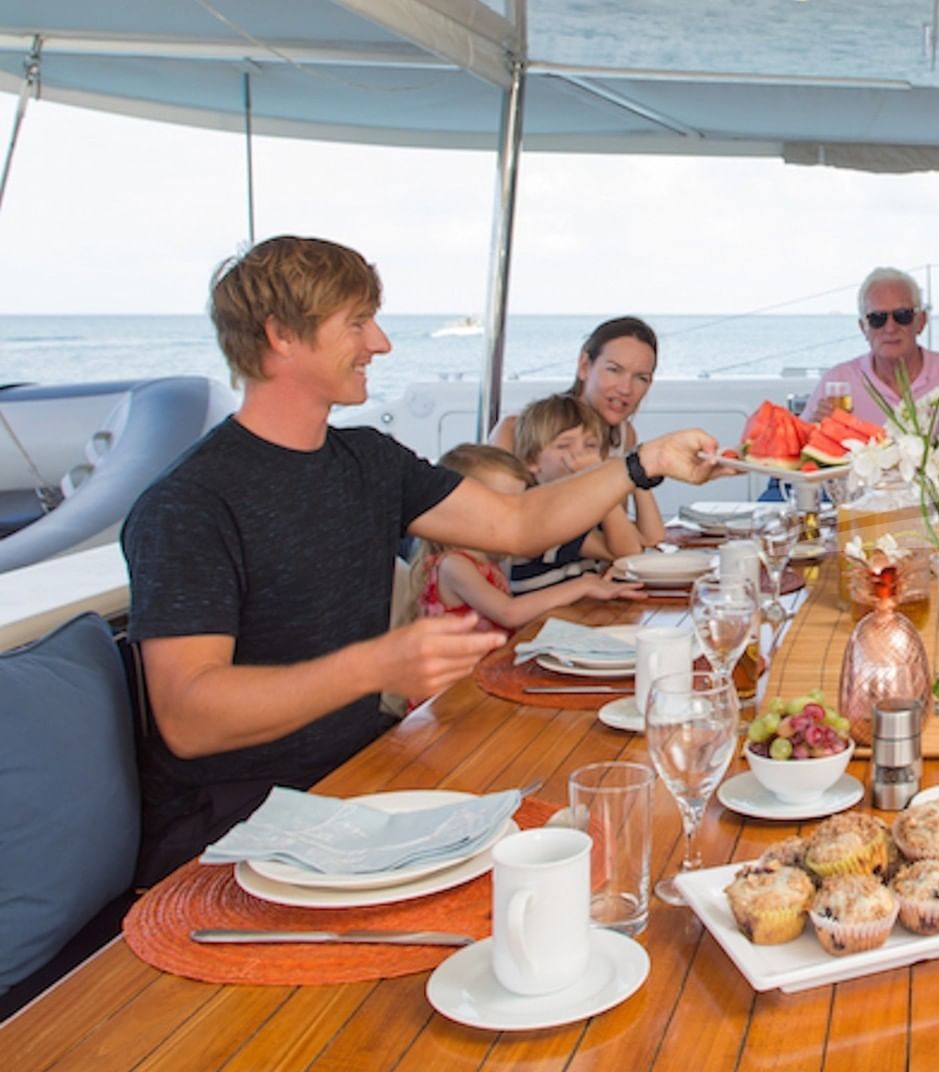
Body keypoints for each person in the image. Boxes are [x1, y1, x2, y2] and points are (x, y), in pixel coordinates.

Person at [121, 236, 726, 884]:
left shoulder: (368, 461)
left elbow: (519, 522)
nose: (380, 342)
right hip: (238, 830)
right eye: (357, 322)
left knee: (591, 842)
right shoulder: (189, 504)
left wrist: (645, 461)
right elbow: (188, 717)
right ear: (281, 336)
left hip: (362, 785)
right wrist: (376, 664)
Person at [405, 443, 646, 634]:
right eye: (499, 504)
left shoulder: (490, 558)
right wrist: (584, 584)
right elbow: (509, 613)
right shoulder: (453, 565)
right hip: (453, 690)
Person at [490, 316, 667, 545]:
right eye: (614, 370)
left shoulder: (625, 436)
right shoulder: (513, 430)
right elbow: (496, 529)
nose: (626, 389)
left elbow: (615, 532)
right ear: (584, 366)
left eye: (641, 378)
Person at [802, 267, 939, 434]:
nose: (890, 328)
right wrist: (814, 429)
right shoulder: (838, 381)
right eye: (877, 318)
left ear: (921, 321)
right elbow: (799, 459)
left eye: (902, 316)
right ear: (863, 328)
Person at [507, 393, 644, 593]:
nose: (582, 455)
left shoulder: (580, 505)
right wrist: (601, 484)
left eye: (590, 446)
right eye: (564, 446)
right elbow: (628, 553)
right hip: (543, 620)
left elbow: (635, 546)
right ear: (531, 461)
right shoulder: (546, 512)